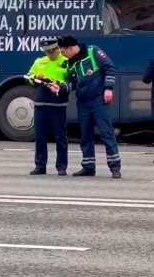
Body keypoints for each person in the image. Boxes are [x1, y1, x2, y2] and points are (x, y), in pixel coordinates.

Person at [50, 35, 121, 178]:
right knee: (86, 136)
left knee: (106, 133)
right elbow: (71, 82)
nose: (61, 54)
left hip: (99, 99)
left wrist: (108, 88)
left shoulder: (93, 51)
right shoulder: (71, 62)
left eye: (63, 51)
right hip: (83, 102)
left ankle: (115, 167)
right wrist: (60, 88)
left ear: (70, 48)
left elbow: (110, 68)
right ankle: (88, 166)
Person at [26, 38, 70, 176]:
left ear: (57, 49)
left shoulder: (65, 61)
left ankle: (61, 167)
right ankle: (40, 166)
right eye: (47, 52)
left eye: (52, 52)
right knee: (40, 137)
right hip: (41, 103)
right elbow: (28, 78)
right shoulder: (39, 61)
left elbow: (70, 81)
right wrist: (35, 77)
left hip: (58, 104)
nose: (50, 55)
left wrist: (58, 83)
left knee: (60, 137)